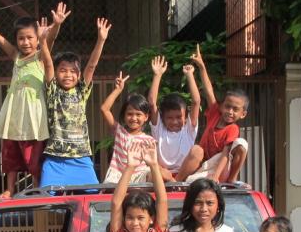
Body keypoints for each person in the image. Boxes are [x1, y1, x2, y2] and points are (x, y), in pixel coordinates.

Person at [0, 2, 69, 197]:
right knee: (9, 153)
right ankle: (9, 189)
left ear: (38, 40)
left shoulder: (39, 57)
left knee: (33, 158)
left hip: (33, 118)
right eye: (21, 38)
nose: (25, 42)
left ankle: (37, 187)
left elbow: (50, 40)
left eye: (30, 38)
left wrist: (56, 25)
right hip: (13, 114)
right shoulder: (16, 56)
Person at [38, 15, 111, 186]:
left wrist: (101, 40)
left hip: (81, 157)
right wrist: (42, 41)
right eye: (63, 70)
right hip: (55, 157)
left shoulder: (81, 91)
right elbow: (48, 64)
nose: (68, 75)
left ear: (79, 76)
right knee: (45, 199)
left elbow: (92, 65)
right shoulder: (52, 90)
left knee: (92, 197)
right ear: (56, 73)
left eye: (73, 71)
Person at [175, 45, 249, 183]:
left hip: (219, 167)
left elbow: (226, 154)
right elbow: (208, 90)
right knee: (197, 150)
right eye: (227, 107)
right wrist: (201, 66)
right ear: (221, 106)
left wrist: (216, 175)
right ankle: (177, 182)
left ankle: (232, 181)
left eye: (235, 109)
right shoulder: (216, 114)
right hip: (204, 167)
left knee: (241, 144)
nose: (230, 112)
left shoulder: (233, 128)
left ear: (243, 114)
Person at [146, 55, 201, 182]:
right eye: (170, 118)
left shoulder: (188, 129)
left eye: (178, 117)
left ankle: (176, 183)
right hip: (163, 175)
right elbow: (151, 102)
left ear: (186, 117)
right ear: (163, 118)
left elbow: (196, 101)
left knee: (198, 150)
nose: (175, 121)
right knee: (152, 169)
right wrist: (157, 75)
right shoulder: (159, 129)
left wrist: (190, 75)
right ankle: (174, 183)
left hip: (185, 174)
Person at [100, 71, 157, 184]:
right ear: (124, 116)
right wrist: (118, 90)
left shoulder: (149, 140)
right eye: (130, 114)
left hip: (140, 176)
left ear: (146, 117)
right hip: (118, 176)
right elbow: (104, 109)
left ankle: (179, 188)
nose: (134, 118)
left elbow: (152, 163)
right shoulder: (119, 132)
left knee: (161, 173)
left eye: (138, 114)